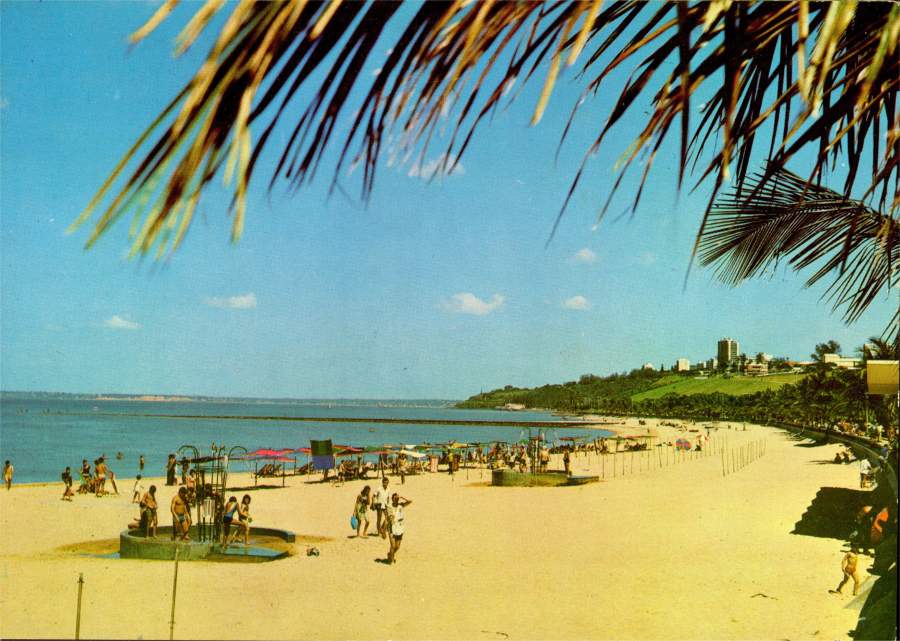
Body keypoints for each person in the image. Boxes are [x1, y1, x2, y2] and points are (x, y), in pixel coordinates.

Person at [385, 492, 412, 564]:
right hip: (392, 527)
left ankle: (390, 554)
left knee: (397, 546)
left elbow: (410, 501)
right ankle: (391, 560)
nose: (397, 499)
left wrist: (402, 497)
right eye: (395, 498)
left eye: (397, 498)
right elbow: (389, 517)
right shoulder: (389, 507)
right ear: (392, 499)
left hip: (400, 527)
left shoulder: (401, 505)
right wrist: (391, 518)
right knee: (393, 545)